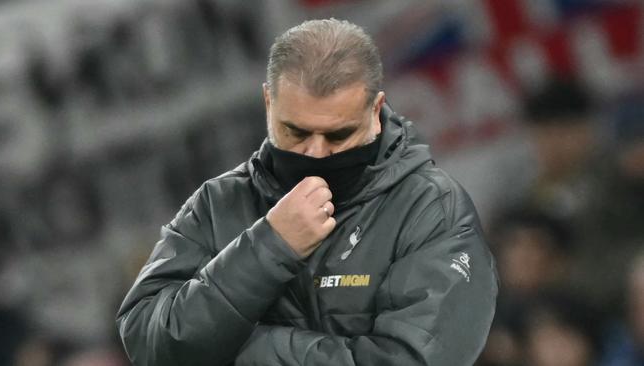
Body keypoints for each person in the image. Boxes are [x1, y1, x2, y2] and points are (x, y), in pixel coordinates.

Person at [116, 18, 498, 366]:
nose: (315, 152)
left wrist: (240, 351)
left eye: (338, 134)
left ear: (376, 109)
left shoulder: (431, 208)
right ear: (269, 102)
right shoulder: (217, 203)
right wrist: (269, 246)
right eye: (295, 132)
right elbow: (149, 343)